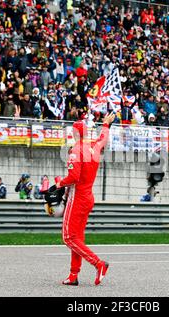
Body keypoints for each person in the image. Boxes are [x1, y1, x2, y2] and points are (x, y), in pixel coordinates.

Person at [56, 112, 115, 286]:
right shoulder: (94, 146)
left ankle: (98, 264)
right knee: (77, 238)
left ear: (75, 133)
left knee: (68, 237)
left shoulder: (76, 150)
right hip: (88, 197)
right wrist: (105, 124)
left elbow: (73, 177)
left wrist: (60, 182)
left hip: (78, 198)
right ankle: (73, 275)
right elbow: (103, 139)